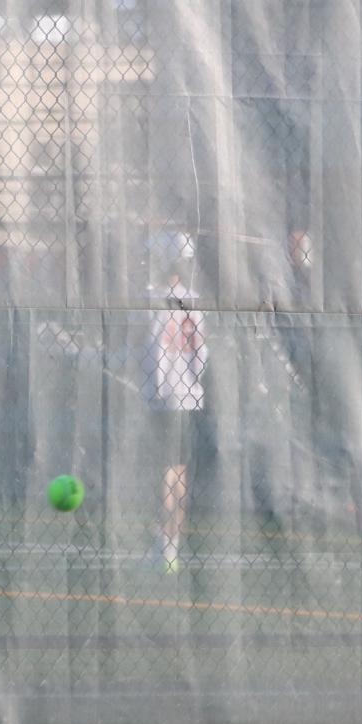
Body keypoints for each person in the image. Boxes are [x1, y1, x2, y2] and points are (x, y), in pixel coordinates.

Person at [140, 234, 208, 575]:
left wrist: (154, 386)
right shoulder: (193, 301)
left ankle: (164, 547)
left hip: (163, 397)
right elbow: (202, 355)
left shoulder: (154, 299)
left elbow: (154, 352)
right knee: (178, 471)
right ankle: (172, 548)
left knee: (164, 473)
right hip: (190, 396)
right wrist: (192, 383)